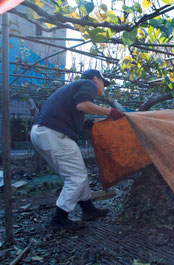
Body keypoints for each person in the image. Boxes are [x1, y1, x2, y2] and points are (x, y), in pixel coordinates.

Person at [30, 69, 124, 231]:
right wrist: (110, 111)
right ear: (96, 79)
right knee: (76, 177)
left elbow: (80, 115)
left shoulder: (74, 88)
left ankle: (88, 210)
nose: (103, 87)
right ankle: (59, 219)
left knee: (77, 174)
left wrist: (96, 122)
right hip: (54, 133)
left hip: (43, 132)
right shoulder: (88, 84)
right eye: (103, 83)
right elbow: (83, 105)